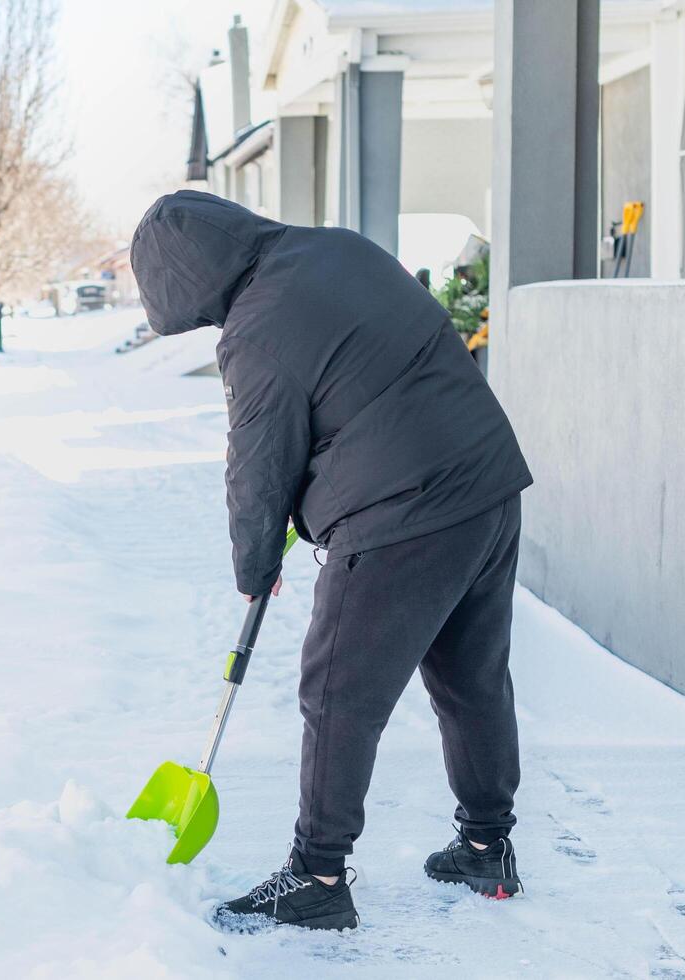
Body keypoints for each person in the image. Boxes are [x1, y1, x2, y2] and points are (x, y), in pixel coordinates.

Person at [129, 190, 533, 931]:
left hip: (400, 516)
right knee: (470, 679)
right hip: (486, 487)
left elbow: (256, 464)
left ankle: (316, 873)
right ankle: (485, 845)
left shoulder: (255, 330)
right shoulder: (338, 246)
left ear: (190, 280)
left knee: (336, 695)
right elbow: (367, 377)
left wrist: (254, 565)